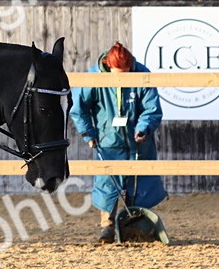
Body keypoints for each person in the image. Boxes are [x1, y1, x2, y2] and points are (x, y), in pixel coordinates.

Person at [69, 41, 168, 244]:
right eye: (118, 75)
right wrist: (89, 134)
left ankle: (135, 223)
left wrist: (144, 127)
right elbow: (79, 110)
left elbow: (152, 108)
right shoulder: (93, 78)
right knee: (107, 183)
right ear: (108, 66)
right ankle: (107, 227)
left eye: (126, 74)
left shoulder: (142, 74)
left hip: (139, 140)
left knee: (140, 181)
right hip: (108, 140)